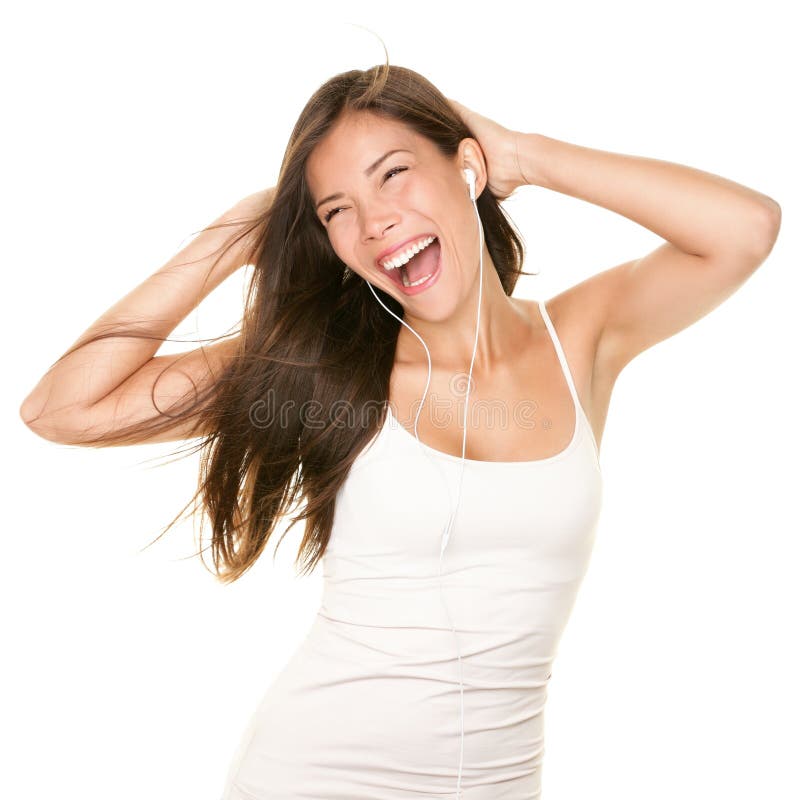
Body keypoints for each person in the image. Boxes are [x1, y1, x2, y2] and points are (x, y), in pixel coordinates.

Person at [19, 60, 781, 799]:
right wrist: (236, 232)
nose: (375, 220)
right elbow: (63, 409)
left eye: (393, 174)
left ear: (465, 170)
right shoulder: (317, 366)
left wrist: (518, 154)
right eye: (336, 210)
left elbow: (745, 228)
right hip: (310, 779)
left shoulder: (580, 340)